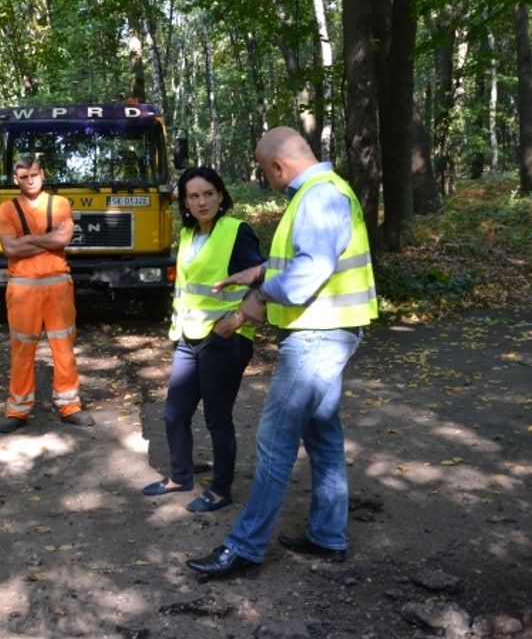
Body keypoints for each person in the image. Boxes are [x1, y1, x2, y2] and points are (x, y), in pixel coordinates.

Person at [185, 127, 377, 576]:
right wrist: (249, 275)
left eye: (264, 172)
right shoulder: (323, 191)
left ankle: (245, 547)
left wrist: (249, 308)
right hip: (326, 332)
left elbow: (308, 273)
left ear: (277, 166)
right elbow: (293, 259)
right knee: (323, 436)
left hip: (317, 336)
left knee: (274, 442)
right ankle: (328, 536)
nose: (267, 179)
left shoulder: (318, 196)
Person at [142, 166, 265, 513]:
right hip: (188, 337)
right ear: (184, 201)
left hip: (225, 339)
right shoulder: (188, 233)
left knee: (217, 418)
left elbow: (261, 280)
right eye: (193, 196)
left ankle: (221, 489)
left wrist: (238, 318)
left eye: (208, 193)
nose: (201, 201)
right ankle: (181, 476)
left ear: (221, 195)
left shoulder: (236, 231)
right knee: (174, 414)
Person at [0, 155, 95, 433]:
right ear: (16, 179)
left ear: (42, 174)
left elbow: (63, 239)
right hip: (22, 289)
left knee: (63, 347)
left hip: (58, 287)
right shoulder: (6, 210)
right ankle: (17, 410)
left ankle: (69, 405)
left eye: (34, 175)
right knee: (22, 349)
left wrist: (26, 240)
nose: (30, 181)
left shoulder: (60, 204)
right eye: (24, 177)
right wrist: (46, 241)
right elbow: (11, 249)